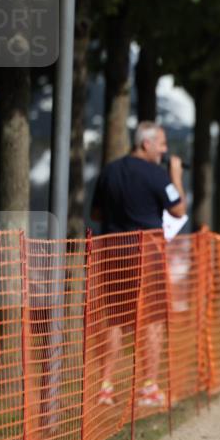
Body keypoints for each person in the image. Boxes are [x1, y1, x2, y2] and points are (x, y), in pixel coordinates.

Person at [90, 121, 186, 408]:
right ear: (146, 144)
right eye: (162, 144)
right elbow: (179, 208)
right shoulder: (157, 174)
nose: (164, 150)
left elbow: (96, 212)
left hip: (112, 253)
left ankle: (104, 386)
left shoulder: (109, 171)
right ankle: (148, 386)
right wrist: (176, 175)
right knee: (152, 319)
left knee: (116, 319)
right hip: (147, 253)